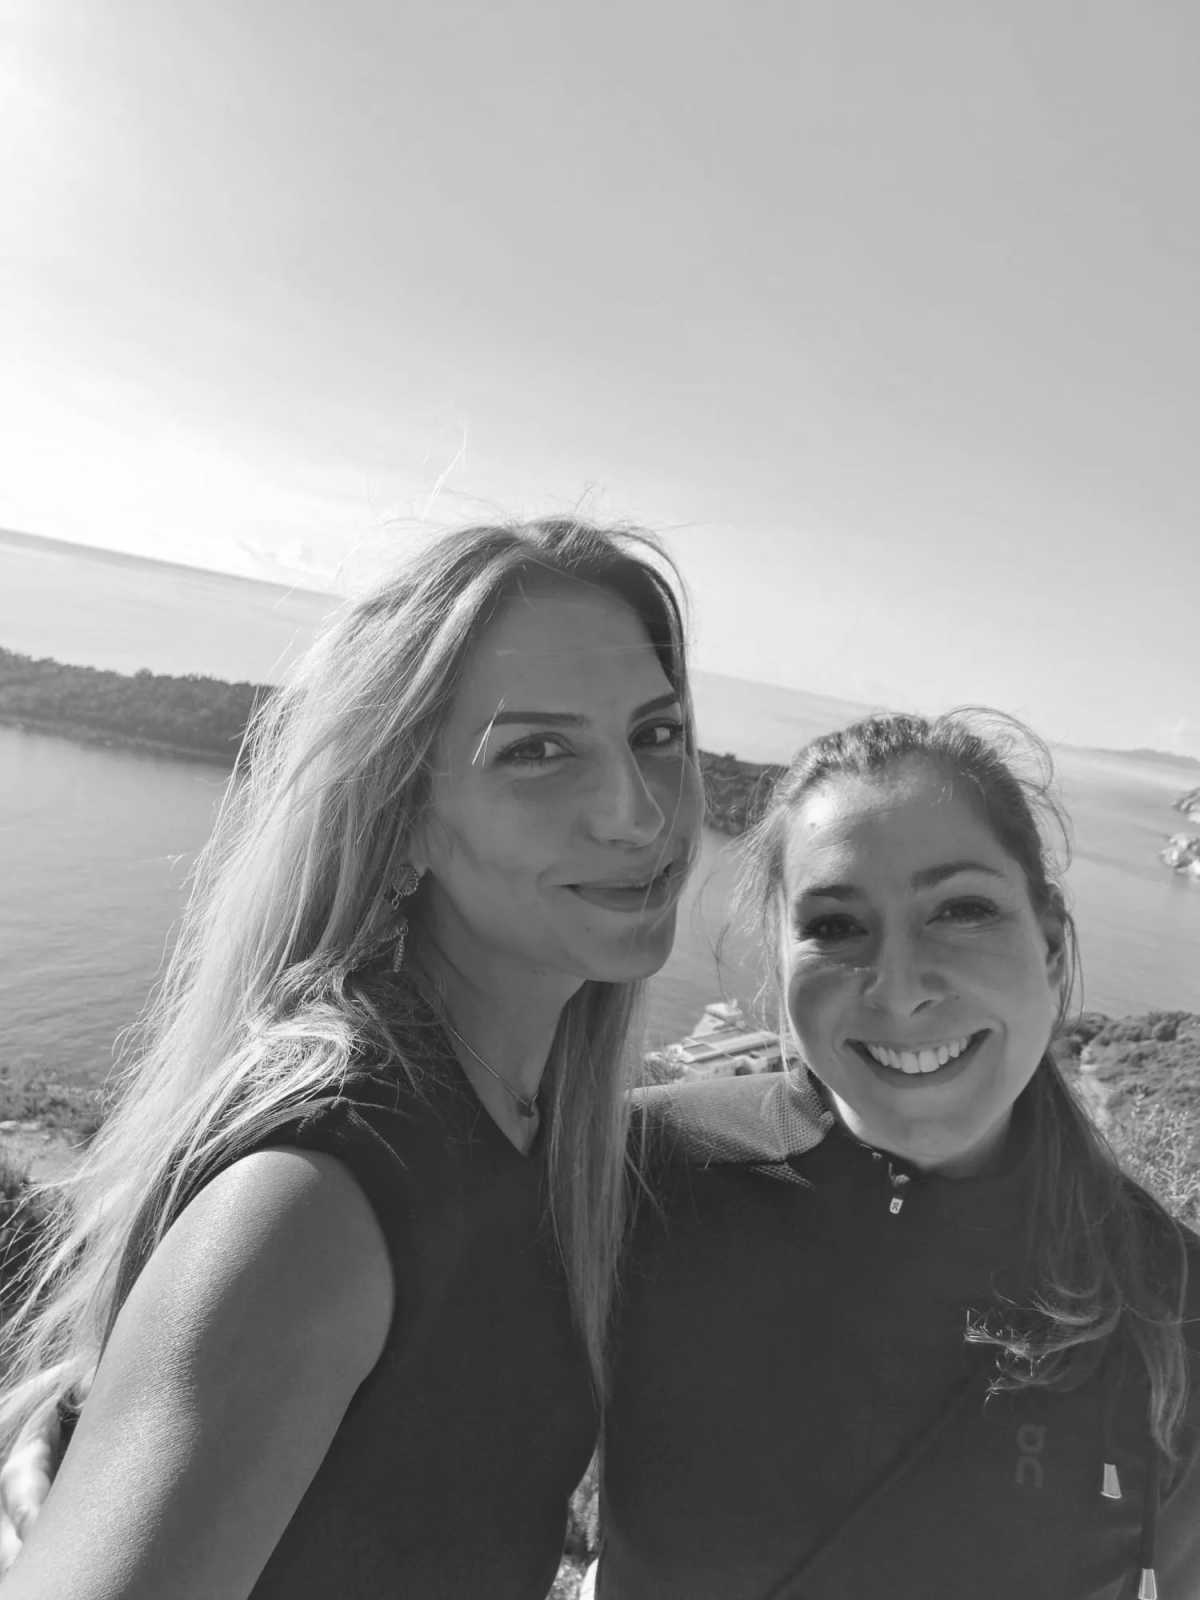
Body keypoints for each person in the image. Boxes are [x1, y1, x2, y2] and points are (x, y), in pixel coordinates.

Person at [0, 518, 704, 1598]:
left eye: (656, 733)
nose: (638, 811)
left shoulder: (521, 1116)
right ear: (402, 819)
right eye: (536, 751)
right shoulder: (321, 1195)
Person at [599, 711, 1200, 1600]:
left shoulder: (1172, 1306)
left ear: (1050, 944)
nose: (902, 989)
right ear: (781, 963)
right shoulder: (634, 1174)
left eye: (961, 910)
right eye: (836, 926)